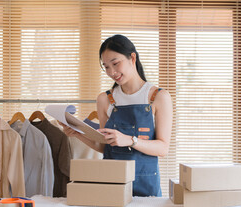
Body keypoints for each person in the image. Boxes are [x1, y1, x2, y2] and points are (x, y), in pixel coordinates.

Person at [61, 34, 173, 197]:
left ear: (132, 58)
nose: (111, 72)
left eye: (115, 63)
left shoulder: (158, 97)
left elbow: (163, 149)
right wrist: (78, 134)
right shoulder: (105, 99)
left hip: (146, 186)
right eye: (106, 67)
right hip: (111, 183)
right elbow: (104, 146)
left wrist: (130, 140)